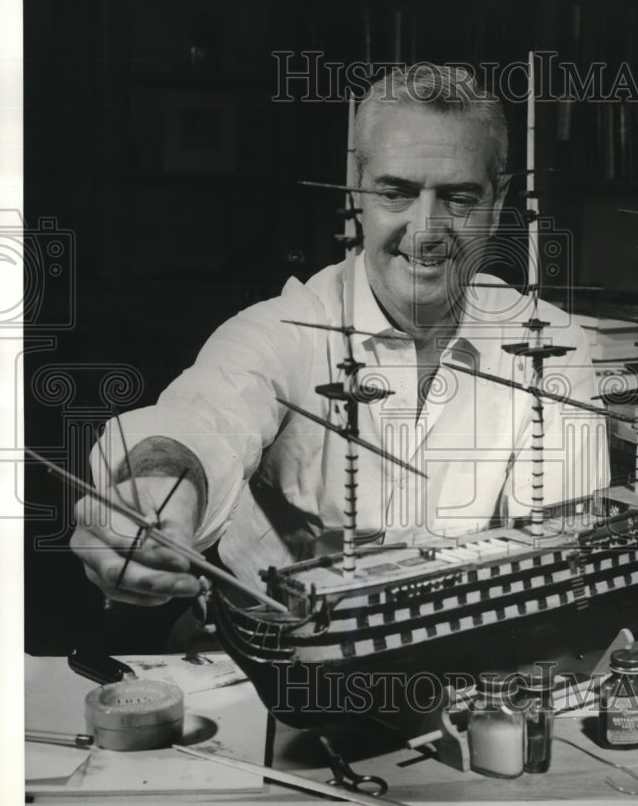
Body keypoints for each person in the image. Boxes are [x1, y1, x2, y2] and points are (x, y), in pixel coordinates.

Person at [71, 64, 609, 606]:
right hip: (286, 661)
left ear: (497, 203)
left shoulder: (553, 344)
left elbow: (561, 562)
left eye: (459, 197)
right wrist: (161, 488)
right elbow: (199, 417)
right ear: (358, 195)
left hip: (473, 655)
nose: (425, 229)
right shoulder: (282, 329)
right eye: (396, 193)